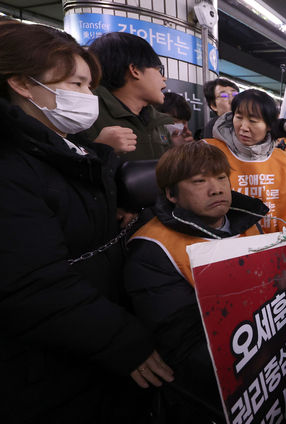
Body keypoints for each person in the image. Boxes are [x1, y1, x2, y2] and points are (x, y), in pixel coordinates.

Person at [0, 21, 174, 422]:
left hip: (83, 355)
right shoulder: (11, 164)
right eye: (76, 85)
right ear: (22, 85)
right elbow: (32, 283)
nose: (87, 97)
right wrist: (122, 339)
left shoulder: (68, 152)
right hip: (46, 370)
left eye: (87, 85)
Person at [125, 142, 268, 423]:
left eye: (221, 178)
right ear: (171, 194)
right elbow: (184, 346)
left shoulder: (250, 221)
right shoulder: (153, 249)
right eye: (199, 181)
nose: (216, 189)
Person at [204, 89, 286, 233]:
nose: (243, 127)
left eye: (253, 121)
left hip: (274, 247)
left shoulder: (284, 161)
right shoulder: (208, 152)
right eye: (238, 117)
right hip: (226, 248)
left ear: (269, 125)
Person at [80, 32, 174, 160]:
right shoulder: (86, 116)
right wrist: (101, 149)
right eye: (159, 70)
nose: (164, 78)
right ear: (134, 70)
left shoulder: (158, 122)